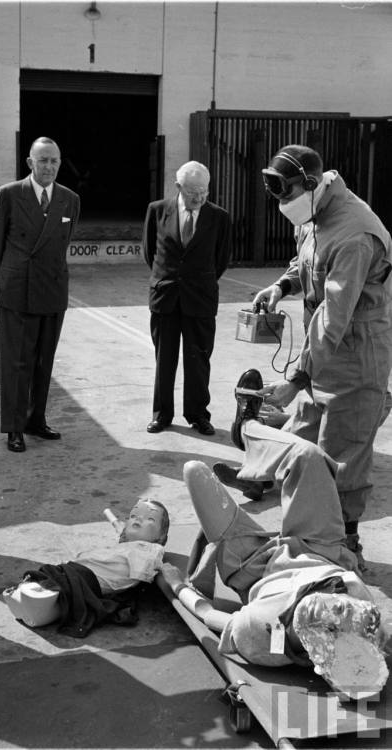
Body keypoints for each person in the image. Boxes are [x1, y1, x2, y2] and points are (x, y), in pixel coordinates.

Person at [160, 370, 390, 699]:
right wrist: (349, 588)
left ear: (317, 647)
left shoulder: (260, 633)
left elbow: (208, 615)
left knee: (194, 471)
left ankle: (251, 445)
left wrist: (178, 585)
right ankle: (248, 429)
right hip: (322, 548)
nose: (345, 600)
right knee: (308, 455)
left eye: (336, 614)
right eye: (346, 606)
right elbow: (355, 604)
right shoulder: (365, 623)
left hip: (256, 564)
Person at [250, 144, 392, 568]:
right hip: (323, 352)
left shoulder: (354, 233)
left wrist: (296, 380)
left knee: (341, 457)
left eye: (287, 194)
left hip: (355, 355)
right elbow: (305, 259)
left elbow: (334, 317)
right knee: (301, 443)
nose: (284, 204)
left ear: (311, 184)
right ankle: (307, 533)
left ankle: (344, 546)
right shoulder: (314, 212)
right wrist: (282, 286)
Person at [0, 137, 80, 453]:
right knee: (17, 363)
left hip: (52, 290)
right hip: (19, 291)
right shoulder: (9, 195)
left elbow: (62, 244)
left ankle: (35, 420)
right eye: (43, 160)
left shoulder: (69, 199)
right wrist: (15, 276)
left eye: (54, 160)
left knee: (44, 361)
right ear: (30, 163)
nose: (49, 167)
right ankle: (14, 428)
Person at [143, 161, 231, 436]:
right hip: (165, 296)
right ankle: (162, 415)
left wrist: (197, 281)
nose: (199, 197)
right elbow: (149, 252)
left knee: (198, 360)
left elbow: (221, 259)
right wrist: (169, 279)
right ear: (179, 187)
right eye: (193, 192)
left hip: (200, 298)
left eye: (203, 191)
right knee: (164, 360)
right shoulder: (157, 211)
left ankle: (197, 414)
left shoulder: (219, 217)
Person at [3, 499, 169, 635]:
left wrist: (166, 573)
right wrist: (125, 533)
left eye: (150, 519)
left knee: (58, 588)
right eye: (133, 515)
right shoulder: (127, 544)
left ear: (160, 536)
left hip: (86, 579)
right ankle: (33, 601)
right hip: (75, 570)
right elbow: (122, 530)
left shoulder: (150, 550)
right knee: (52, 579)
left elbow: (146, 572)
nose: (138, 519)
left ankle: (36, 604)